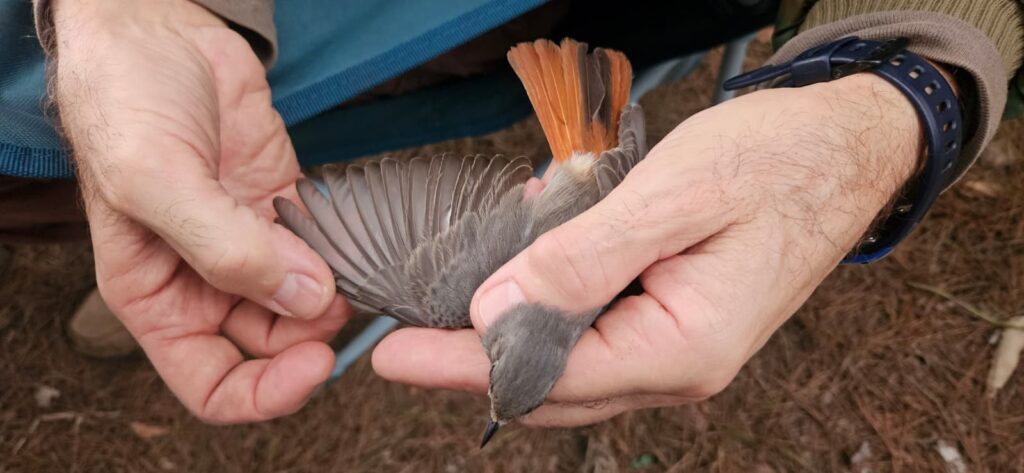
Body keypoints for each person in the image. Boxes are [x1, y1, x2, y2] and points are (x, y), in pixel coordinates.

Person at [0, 0, 1020, 424]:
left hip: (552, 57)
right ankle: (183, 235)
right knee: (98, 158)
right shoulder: (463, 299)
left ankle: (196, 243)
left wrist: (897, 95)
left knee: (168, 167)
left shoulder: (494, 294)